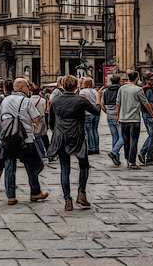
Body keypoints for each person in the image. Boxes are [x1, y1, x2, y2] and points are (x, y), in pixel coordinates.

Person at [48, 74, 102, 211]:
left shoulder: (55, 100)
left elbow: (51, 123)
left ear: (63, 85)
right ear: (77, 85)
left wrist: (56, 131)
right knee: (84, 166)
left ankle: (67, 199)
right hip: (77, 136)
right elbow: (96, 112)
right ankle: (81, 193)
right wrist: (98, 99)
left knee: (64, 168)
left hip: (61, 136)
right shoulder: (80, 101)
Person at [0, 78, 47, 206]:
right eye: (27, 86)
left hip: (9, 138)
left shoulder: (5, 100)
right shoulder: (26, 100)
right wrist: (34, 121)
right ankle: (35, 191)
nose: (29, 88)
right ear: (21, 88)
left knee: (9, 166)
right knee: (31, 165)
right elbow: (36, 118)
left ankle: (11, 196)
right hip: (25, 138)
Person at [117, 70, 153, 169]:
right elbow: (145, 103)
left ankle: (127, 159)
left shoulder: (122, 89)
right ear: (137, 78)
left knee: (126, 141)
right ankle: (132, 162)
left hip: (123, 118)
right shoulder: (138, 89)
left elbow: (118, 103)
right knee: (134, 140)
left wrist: (118, 117)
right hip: (134, 119)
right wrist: (152, 113)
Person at [101, 75, 124, 165]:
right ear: (119, 81)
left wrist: (107, 112)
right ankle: (114, 152)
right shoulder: (121, 90)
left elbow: (102, 104)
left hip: (109, 116)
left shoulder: (106, 92)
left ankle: (116, 158)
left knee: (115, 137)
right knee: (123, 137)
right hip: (119, 116)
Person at [139, 73, 153, 166]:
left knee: (151, 135)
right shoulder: (149, 89)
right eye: (152, 80)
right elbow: (150, 102)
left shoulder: (145, 88)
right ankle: (146, 155)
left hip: (146, 114)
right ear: (147, 80)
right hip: (150, 115)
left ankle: (146, 155)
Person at [79, 78, 100, 154]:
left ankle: (90, 148)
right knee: (95, 130)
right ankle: (97, 148)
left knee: (88, 131)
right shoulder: (95, 91)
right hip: (96, 112)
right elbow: (98, 102)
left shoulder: (83, 91)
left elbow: (81, 101)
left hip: (87, 113)